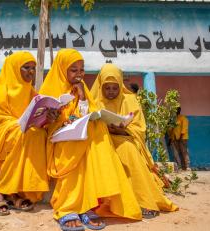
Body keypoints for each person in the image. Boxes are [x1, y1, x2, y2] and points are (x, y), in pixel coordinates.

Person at [39, 49, 142, 231]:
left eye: (82, 69)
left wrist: (83, 98)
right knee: (73, 145)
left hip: (81, 137)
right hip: (61, 140)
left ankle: (87, 204)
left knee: (98, 130)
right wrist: (52, 118)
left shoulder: (83, 89)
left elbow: (88, 115)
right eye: (73, 70)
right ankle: (67, 207)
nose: (79, 74)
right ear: (62, 69)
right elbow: (41, 123)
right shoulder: (50, 89)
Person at [90, 63, 178, 218]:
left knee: (128, 150)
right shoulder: (94, 101)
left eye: (115, 87)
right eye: (106, 87)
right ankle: (110, 203)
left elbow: (140, 128)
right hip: (102, 141)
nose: (111, 92)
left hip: (125, 138)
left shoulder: (130, 100)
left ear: (121, 85)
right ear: (100, 86)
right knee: (101, 152)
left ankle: (145, 202)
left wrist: (123, 130)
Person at [0, 51, 57, 216]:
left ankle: (17, 194)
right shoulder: (1, 87)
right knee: (21, 134)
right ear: (14, 68)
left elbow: (36, 116)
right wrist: (21, 124)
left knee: (38, 135)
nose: (31, 72)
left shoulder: (30, 92)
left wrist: (48, 117)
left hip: (20, 131)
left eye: (33, 68)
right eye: (26, 67)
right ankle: (0, 194)